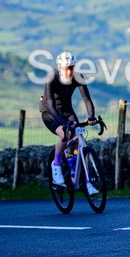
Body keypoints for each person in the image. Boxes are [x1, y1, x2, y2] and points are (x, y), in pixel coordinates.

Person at [40, 51, 98, 193]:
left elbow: (87, 99)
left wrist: (91, 116)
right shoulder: (51, 78)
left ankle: (79, 174)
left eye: (72, 67)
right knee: (65, 135)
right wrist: (64, 124)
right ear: (60, 67)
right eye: (67, 67)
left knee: (79, 138)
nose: (70, 70)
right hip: (50, 113)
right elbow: (52, 106)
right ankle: (56, 164)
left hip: (67, 111)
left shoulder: (78, 77)